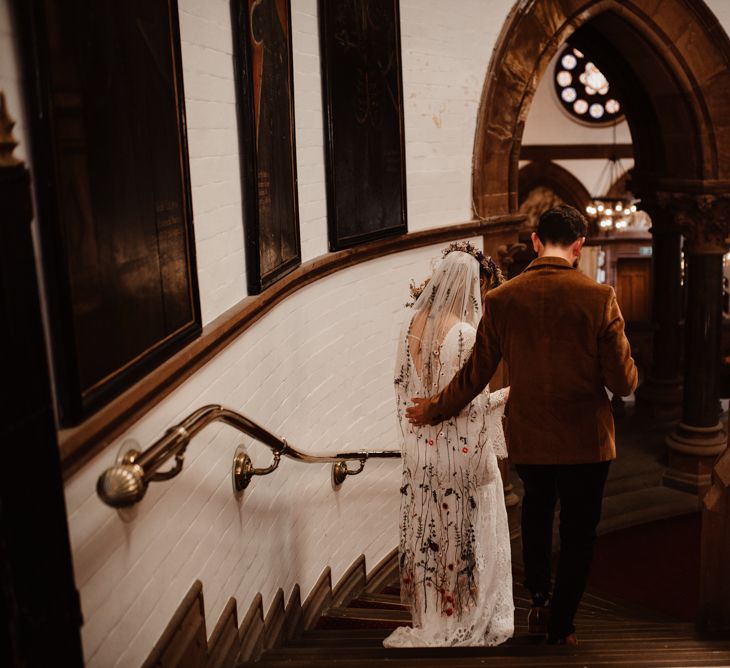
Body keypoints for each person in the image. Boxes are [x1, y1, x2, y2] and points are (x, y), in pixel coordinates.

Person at [406, 205, 638, 646]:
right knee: (578, 532)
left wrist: (432, 408)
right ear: (578, 245)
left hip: (531, 435)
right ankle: (562, 625)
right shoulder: (599, 297)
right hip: (587, 440)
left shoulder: (502, 299)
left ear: (535, 241)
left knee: (535, 513)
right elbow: (623, 382)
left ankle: (539, 597)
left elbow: (474, 377)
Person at [383, 242, 514, 648]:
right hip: (459, 454)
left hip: (423, 451)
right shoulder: (463, 334)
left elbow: (408, 392)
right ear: (471, 287)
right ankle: (471, 615)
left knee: (434, 534)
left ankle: (436, 614)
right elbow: (467, 403)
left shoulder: (410, 327)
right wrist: (504, 397)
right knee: (470, 529)